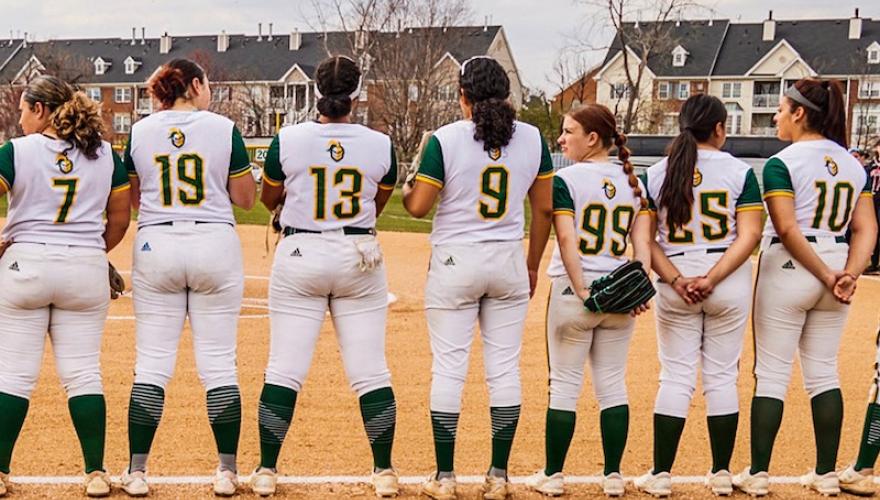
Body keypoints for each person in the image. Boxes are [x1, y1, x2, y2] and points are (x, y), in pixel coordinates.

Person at [403, 55, 554, 500]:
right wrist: (531, 263)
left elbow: (417, 207)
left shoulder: (445, 139)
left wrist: (413, 178)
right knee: (503, 369)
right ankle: (498, 476)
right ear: (506, 94)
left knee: (449, 368)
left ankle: (445, 478)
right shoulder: (533, 138)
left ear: (463, 95)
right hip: (507, 257)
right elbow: (543, 208)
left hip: (455, 261)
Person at [251, 55, 400, 498]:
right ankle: (384, 472)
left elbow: (268, 196)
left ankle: (265, 470)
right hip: (358, 252)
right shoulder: (380, 143)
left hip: (301, 250)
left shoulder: (289, 138)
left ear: (317, 90)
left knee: (284, 367)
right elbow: (379, 200)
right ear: (357, 92)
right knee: (371, 372)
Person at [733, 78, 878, 497]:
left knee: (773, 374)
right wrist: (847, 270)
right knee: (823, 372)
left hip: (793, 266)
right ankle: (827, 473)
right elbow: (867, 227)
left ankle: (758, 473)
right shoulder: (853, 164)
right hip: (836, 261)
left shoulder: (782, 162)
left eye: (781, 109)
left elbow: (786, 226)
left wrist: (825, 272)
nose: (777, 115)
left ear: (799, 113)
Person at [121, 58, 256, 497]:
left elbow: (135, 195)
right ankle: (226, 471)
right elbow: (245, 198)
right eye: (208, 83)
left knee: (152, 364)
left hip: (157, 242)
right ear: (195, 85)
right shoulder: (222, 127)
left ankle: (137, 471)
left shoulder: (140, 130)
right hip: (214, 241)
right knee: (218, 363)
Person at [0, 75, 131, 497]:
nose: (20, 119)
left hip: (27, 266)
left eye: (23, 110)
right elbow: (120, 220)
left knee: (14, 377)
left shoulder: (16, 152)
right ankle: (95, 472)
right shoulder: (107, 155)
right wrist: (94, 252)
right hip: (84, 267)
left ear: (40, 110)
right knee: (83, 374)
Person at [631, 94, 763, 497]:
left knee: (675, 375)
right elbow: (751, 234)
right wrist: (714, 276)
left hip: (676, 280)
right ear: (720, 129)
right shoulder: (740, 172)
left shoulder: (656, 172)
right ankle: (721, 473)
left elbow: (645, 239)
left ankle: (661, 474)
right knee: (722, 376)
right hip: (727, 281)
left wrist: (675, 279)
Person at [524, 104, 651, 497]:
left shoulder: (566, 179)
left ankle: (553, 475)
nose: (562, 139)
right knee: (612, 384)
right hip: (619, 292)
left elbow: (566, 240)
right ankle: (613, 476)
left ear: (592, 138)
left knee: (563, 384)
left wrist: (581, 290)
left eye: (569, 132)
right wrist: (639, 288)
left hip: (576, 292)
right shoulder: (634, 183)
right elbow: (642, 245)